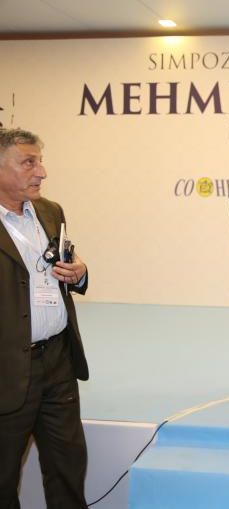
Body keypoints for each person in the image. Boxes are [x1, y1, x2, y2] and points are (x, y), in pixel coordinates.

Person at [0, 128, 90, 508]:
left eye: (39, 161)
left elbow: (66, 265)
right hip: (7, 369)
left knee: (69, 470)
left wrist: (79, 273)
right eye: (28, 163)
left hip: (58, 362)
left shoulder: (51, 212)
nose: (42, 172)